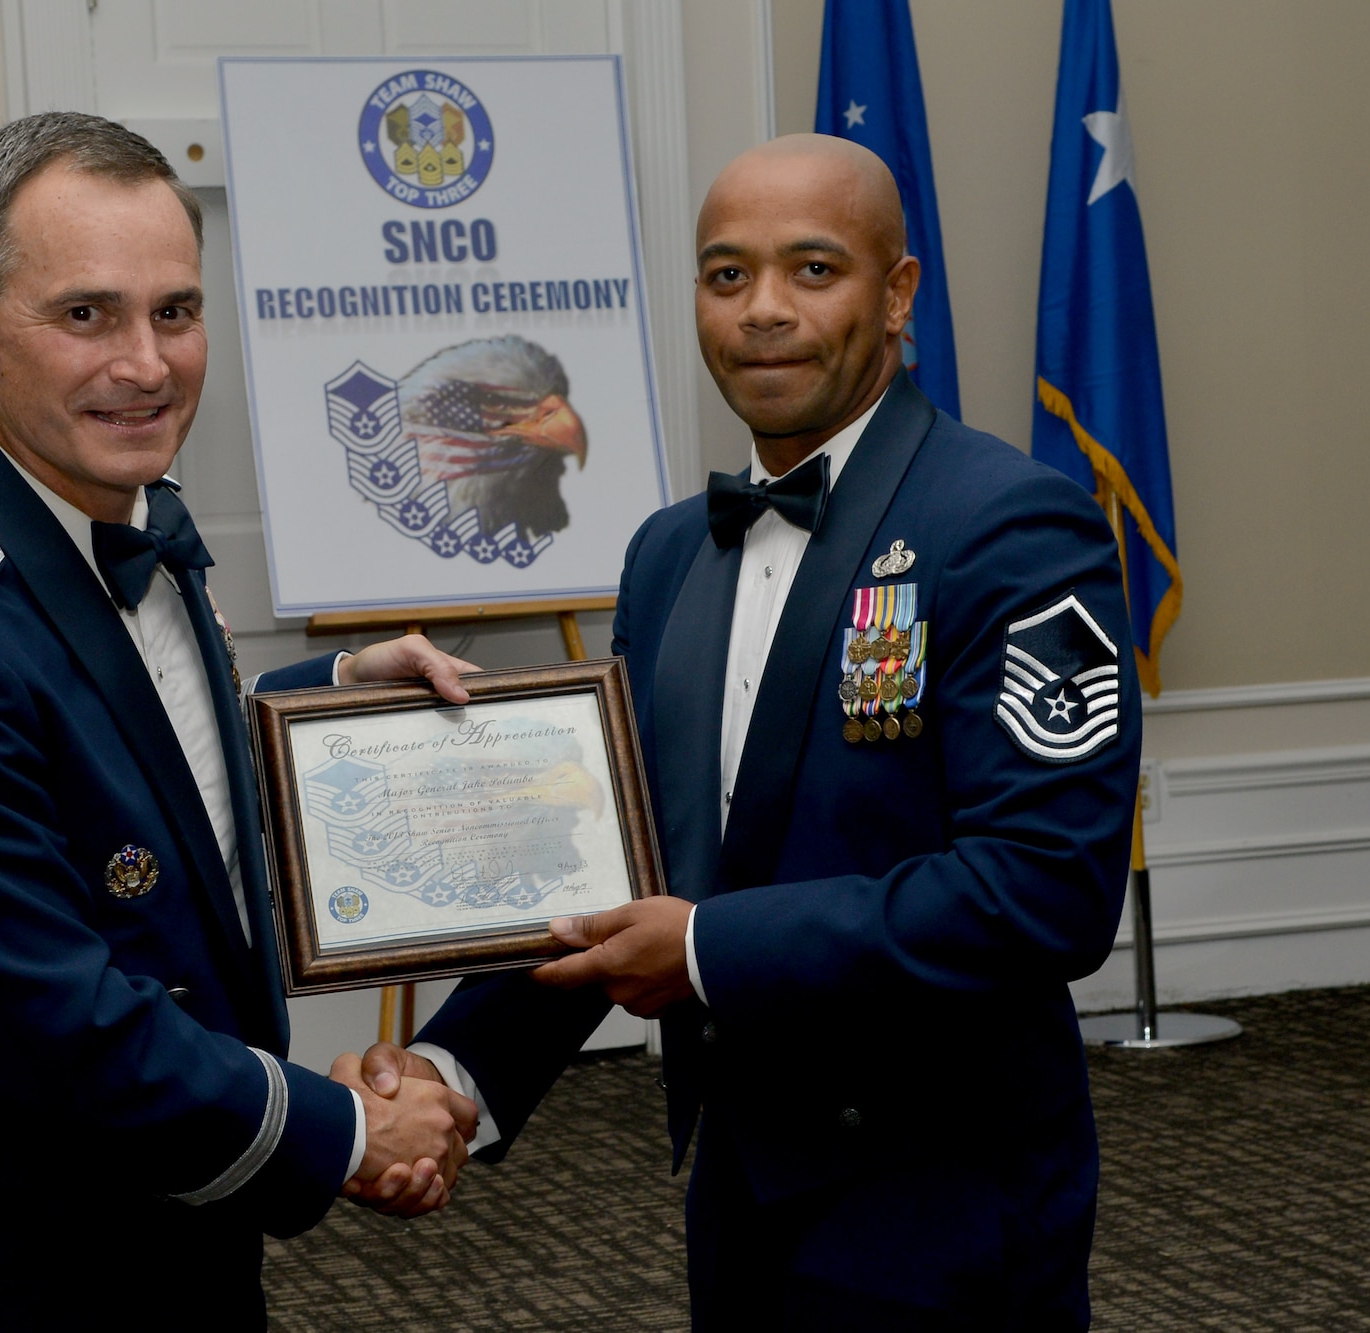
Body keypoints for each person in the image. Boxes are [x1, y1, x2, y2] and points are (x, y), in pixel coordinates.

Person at [361, 134, 1142, 1328]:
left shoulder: (1011, 526)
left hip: (942, 1196)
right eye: (725, 276)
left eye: (811, 270)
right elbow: (616, 866)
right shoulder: (668, 552)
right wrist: (454, 1074)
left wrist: (710, 945)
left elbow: (1043, 890)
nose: (761, 310)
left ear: (896, 295)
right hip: (740, 1182)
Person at [0, 112, 478, 1330]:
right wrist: (346, 1131)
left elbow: (116, 763)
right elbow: (61, 1026)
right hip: (36, 1282)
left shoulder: (123, 521)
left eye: (174, 311)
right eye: (86, 314)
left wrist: (309, 709)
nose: (147, 364)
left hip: (184, 1256)